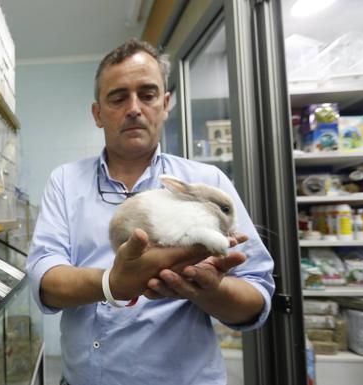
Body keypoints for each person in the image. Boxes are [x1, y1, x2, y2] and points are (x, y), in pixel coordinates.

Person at [26, 38, 275, 385]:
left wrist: (207, 289)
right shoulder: (65, 182)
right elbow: (45, 280)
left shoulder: (206, 182)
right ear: (98, 113)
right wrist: (112, 283)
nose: (134, 108)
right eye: (117, 97)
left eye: (147, 94)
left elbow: (256, 297)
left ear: (166, 103)